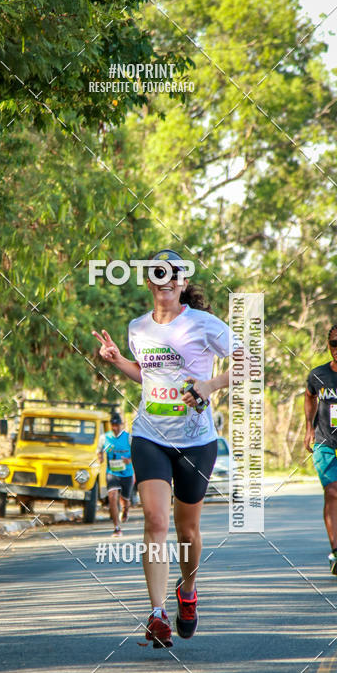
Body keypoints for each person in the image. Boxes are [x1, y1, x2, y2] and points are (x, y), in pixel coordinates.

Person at [93, 249, 239, 648]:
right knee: (156, 521)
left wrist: (209, 386)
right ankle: (157, 613)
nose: (166, 280)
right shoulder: (137, 328)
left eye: (174, 274)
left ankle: (187, 592)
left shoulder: (204, 324)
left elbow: (249, 363)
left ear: (183, 283)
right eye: (159, 274)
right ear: (150, 282)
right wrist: (119, 360)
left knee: (186, 528)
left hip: (196, 441)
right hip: (150, 435)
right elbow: (146, 375)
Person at [304, 324, 337, 574]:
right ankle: (336, 552)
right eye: (334, 344)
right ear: (328, 345)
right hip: (325, 442)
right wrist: (308, 428)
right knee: (332, 492)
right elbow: (309, 395)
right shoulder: (318, 375)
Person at [98, 411, 134, 536]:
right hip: (112, 473)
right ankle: (117, 527)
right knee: (112, 497)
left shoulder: (129, 437)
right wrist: (100, 457)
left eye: (117, 425)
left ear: (121, 425)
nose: (115, 428)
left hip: (127, 473)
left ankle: (125, 510)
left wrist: (129, 460)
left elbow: (137, 453)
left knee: (125, 500)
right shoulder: (104, 437)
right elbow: (99, 450)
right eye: (113, 425)